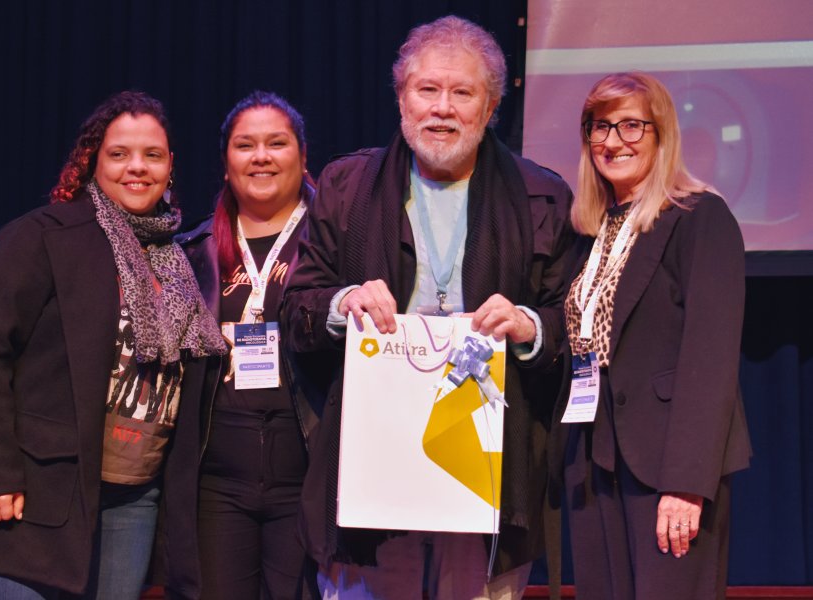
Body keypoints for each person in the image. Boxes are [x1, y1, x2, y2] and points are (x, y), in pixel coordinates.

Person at [281, 16, 576, 600]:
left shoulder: (542, 195)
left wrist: (528, 325)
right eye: (427, 90)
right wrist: (346, 301)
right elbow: (298, 308)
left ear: (491, 107)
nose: (442, 108)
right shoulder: (346, 184)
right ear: (401, 99)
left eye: (462, 93)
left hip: (485, 459)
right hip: (372, 455)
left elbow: (573, 321)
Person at [0, 91, 226, 599]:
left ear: (170, 165)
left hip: (133, 498)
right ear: (94, 161)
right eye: (119, 154)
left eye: (152, 155)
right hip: (36, 491)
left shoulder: (179, 258)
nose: (137, 167)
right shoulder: (42, 236)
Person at [556, 72, 752, 599]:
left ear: (661, 133)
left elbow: (709, 360)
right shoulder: (592, 233)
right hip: (596, 461)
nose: (613, 141)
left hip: (667, 466)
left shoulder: (699, 218)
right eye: (600, 127)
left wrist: (686, 484)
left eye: (631, 126)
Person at [177, 91, 318, 599]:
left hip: (308, 473)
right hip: (218, 481)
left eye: (277, 143)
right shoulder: (194, 255)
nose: (261, 156)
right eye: (245, 145)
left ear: (303, 158)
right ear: (225, 163)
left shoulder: (337, 248)